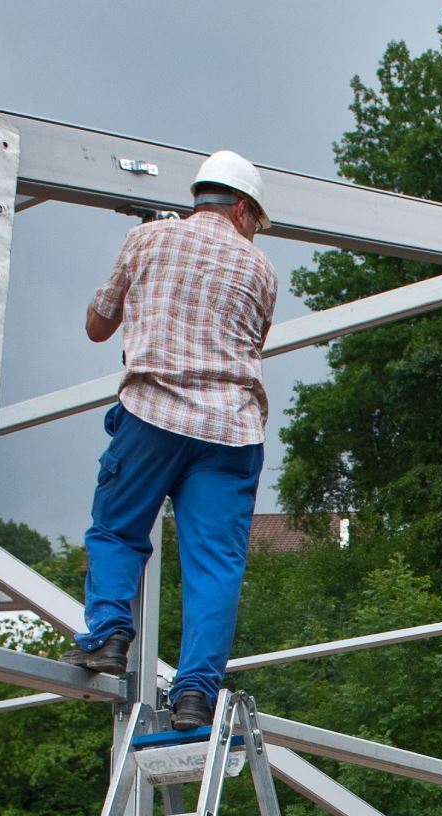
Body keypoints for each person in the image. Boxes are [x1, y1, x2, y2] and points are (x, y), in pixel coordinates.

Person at [70, 149, 278, 731]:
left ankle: (109, 636)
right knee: (214, 566)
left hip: (154, 412)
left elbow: (96, 327)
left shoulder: (148, 243)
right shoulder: (260, 269)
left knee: (117, 528)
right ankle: (194, 696)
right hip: (230, 432)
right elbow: (251, 340)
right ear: (241, 209)